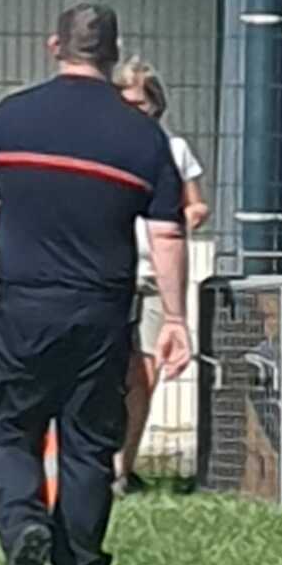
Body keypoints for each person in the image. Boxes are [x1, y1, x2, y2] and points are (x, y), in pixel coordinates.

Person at [0, 3, 192, 565]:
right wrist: (175, 318)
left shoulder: (10, 117)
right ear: (113, 54)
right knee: (89, 445)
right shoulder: (142, 136)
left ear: (54, 45)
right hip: (103, 311)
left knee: (8, 428)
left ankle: (22, 525)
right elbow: (168, 234)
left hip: (26, 304)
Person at [112, 56, 209, 495]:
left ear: (156, 104)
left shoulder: (174, 149)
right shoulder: (107, 146)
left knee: (144, 372)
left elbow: (196, 204)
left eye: (140, 104)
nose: (133, 112)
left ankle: (122, 467)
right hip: (114, 268)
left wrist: (182, 219)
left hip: (155, 274)